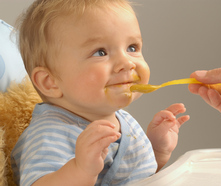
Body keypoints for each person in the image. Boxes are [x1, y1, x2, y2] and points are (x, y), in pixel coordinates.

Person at [11, 0, 190, 185]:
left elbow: (137, 178)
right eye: (100, 52)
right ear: (50, 82)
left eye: (132, 48)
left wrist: (157, 151)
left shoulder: (126, 122)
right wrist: (80, 170)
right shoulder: (50, 134)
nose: (127, 62)